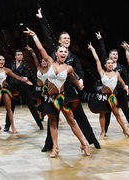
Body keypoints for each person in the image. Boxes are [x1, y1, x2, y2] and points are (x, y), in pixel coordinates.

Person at [36, 8, 101, 151]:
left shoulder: (73, 58)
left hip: (69, 90)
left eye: (69, 38)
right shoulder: (55, 51)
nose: (67, 40)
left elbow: (79, 72)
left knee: (79, 116)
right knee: (52, 118)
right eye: (64, 38)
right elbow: (46, 36)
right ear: (59, 42)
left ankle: (92, 140)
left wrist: (81, 81)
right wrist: (41, 19)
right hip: (53, 89)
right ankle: (50, 145)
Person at [25, 28, 90, 158]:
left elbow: (75, 79)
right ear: (56, 53)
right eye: (61, 51)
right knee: (53, 122)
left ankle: (84, 144)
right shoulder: (49, 62)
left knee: (71, 120)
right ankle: (55, 148)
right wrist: (35, 36)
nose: (63, 53)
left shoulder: (69, 68)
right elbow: (41, 50)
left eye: (65, 52)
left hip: (62, 98)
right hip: (49, 98)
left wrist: (80, 84)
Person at [0, 36, 44, 132]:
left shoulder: (25, 66)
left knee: (31, 105)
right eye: (18, 55)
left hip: (23, 87)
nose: (20, 56)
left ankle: (39, 124)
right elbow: (4, 53)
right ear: (15, 56)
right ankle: (7, 126)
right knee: (10, 107)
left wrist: (26, 77)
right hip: (13, 88)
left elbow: (27, 74)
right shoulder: (11, 63)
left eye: (21, 54)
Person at [95, 32, 129, 135]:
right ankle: (104, 131)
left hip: (121, 91)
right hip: (110, 92)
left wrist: (127, 87)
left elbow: (127, 79)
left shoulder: (121, 67)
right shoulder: (107, 65)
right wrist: (100, 40)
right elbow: (102, 52)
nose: (115, 55)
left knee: (126, 110)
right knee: (108, 112)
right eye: (113, 54)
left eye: (116, 54)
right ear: (109, 56)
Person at [0, 43, 33, 134]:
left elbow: (16, 76)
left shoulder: (7, 70)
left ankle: (13, 126)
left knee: (9, 108)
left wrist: (25, 79)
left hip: (4, 90)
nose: (2, 61)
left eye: (3, 60)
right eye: (0, 59)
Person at [87, 42, 129, 139]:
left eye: (112, 63)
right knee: (102, 114)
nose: (111, 64)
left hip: (112, 97)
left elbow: (123, 84)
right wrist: (93, 50)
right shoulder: (102, 72)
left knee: (117, 114)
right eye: (108, 63)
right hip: (103, 96)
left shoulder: (117, 74)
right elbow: (97, 60)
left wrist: (126, 89)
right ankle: (103, 132)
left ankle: (125, 130)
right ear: (105, 65)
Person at [26, 45, 48, 121]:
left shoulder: (49, 69)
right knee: (38, 101)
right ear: (41, 62)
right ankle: (39, 116)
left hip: (46, 88)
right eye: (43, 61)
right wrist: (32, 52)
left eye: (45, 61)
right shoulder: (38, 67)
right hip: (38, 87)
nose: (44, 62)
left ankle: (47, 114)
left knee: (46, 101)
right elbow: (35, 59)